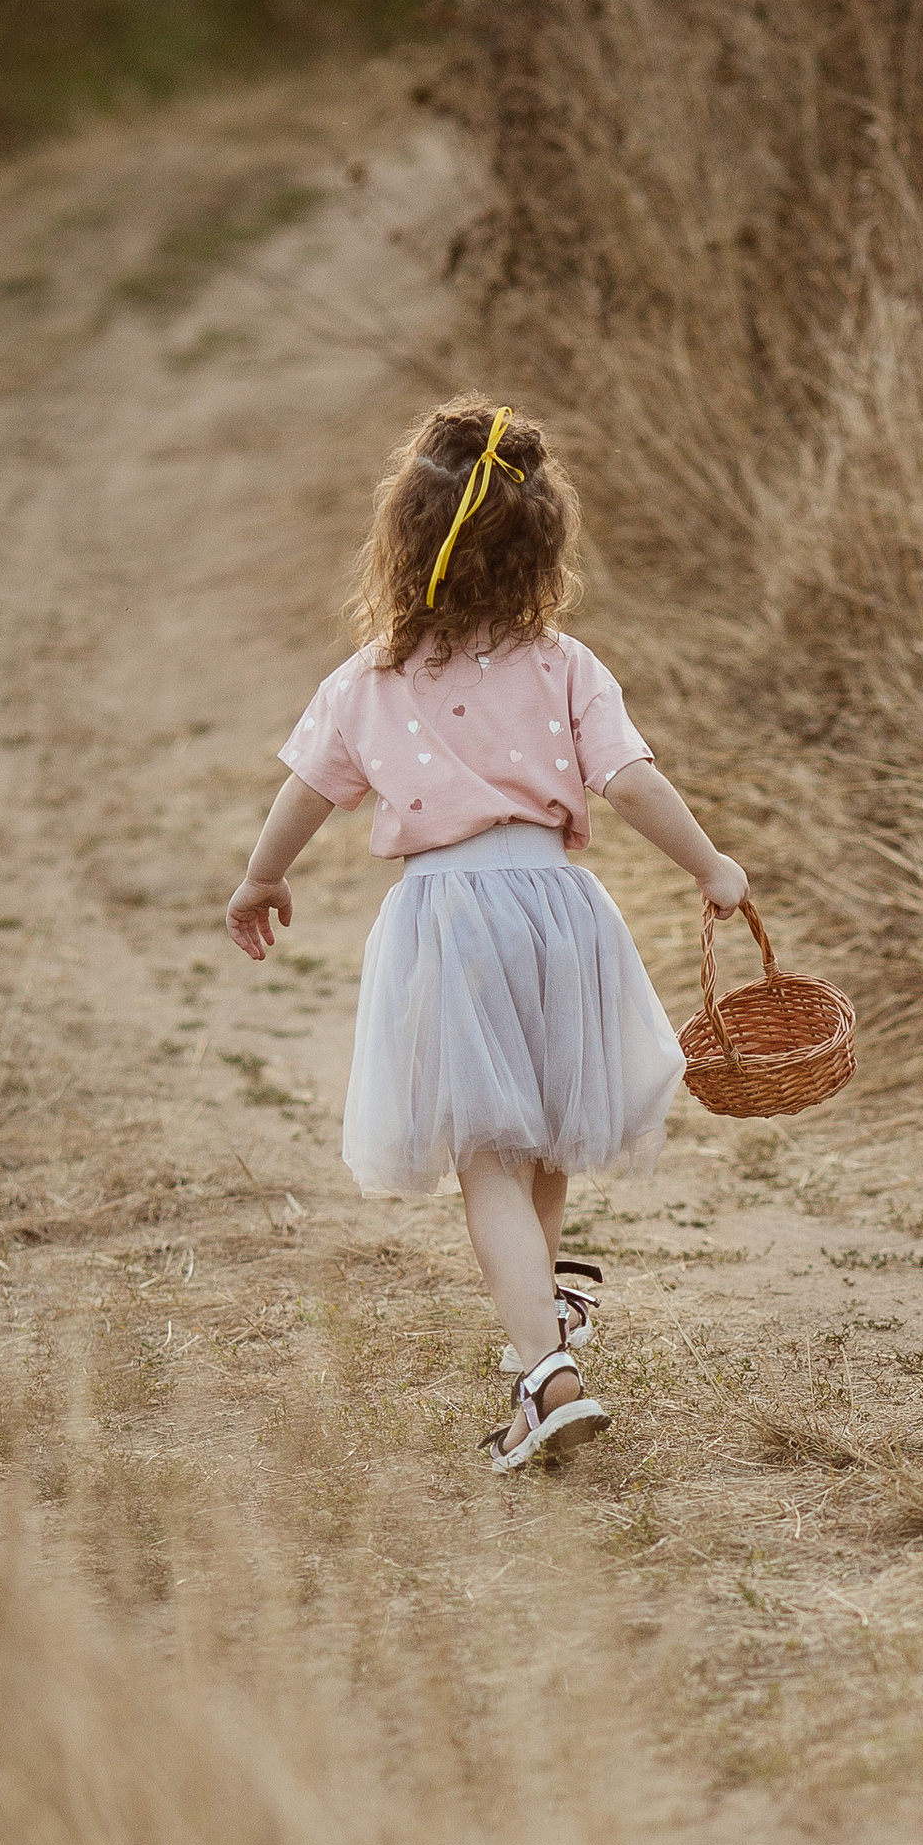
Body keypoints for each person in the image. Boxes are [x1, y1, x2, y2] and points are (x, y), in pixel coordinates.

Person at [224, 396, 747, 1472]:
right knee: (543, 1136)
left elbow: (306, 794)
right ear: (544, 545)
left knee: (488, 1156)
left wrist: (260, 880)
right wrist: (711, 865)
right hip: (559, 910)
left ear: (402, 541)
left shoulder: (368, 678)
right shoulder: (565, 665)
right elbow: (631, 782)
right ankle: (536, 1356)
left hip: (450, 918)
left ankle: (547, 1371)